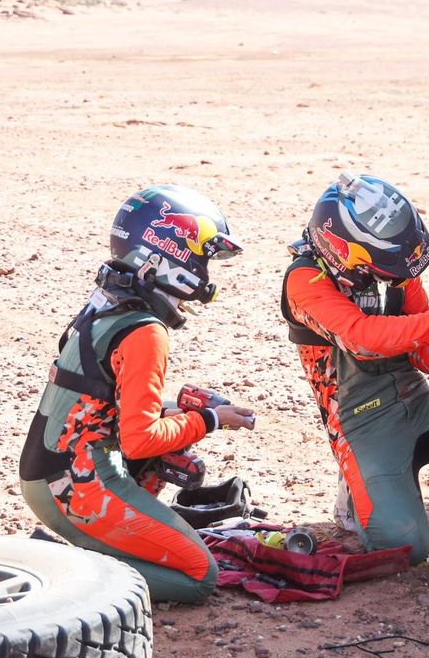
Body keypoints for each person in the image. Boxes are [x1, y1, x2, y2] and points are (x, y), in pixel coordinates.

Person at [19, 185, 256, 604]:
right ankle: (60, 563)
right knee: (199, 576)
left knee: (175, 425)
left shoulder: (110, 302)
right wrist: (209, 420)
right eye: (202, 258)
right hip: (73, 486)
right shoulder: (146, 331)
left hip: (48, 469)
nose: (206, 272)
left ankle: (97, 542)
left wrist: (180, 412)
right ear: (168, 255)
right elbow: (140, 440)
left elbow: (102, 402)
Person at [280, 172, 429, 564]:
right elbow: (363, 338)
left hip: (419, 406)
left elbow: (425, 357)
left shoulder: (395, 271)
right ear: (346, 250)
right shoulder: (305, 279)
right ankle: (359, 490)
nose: (400, 276)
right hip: (364, 429)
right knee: (405, 548)